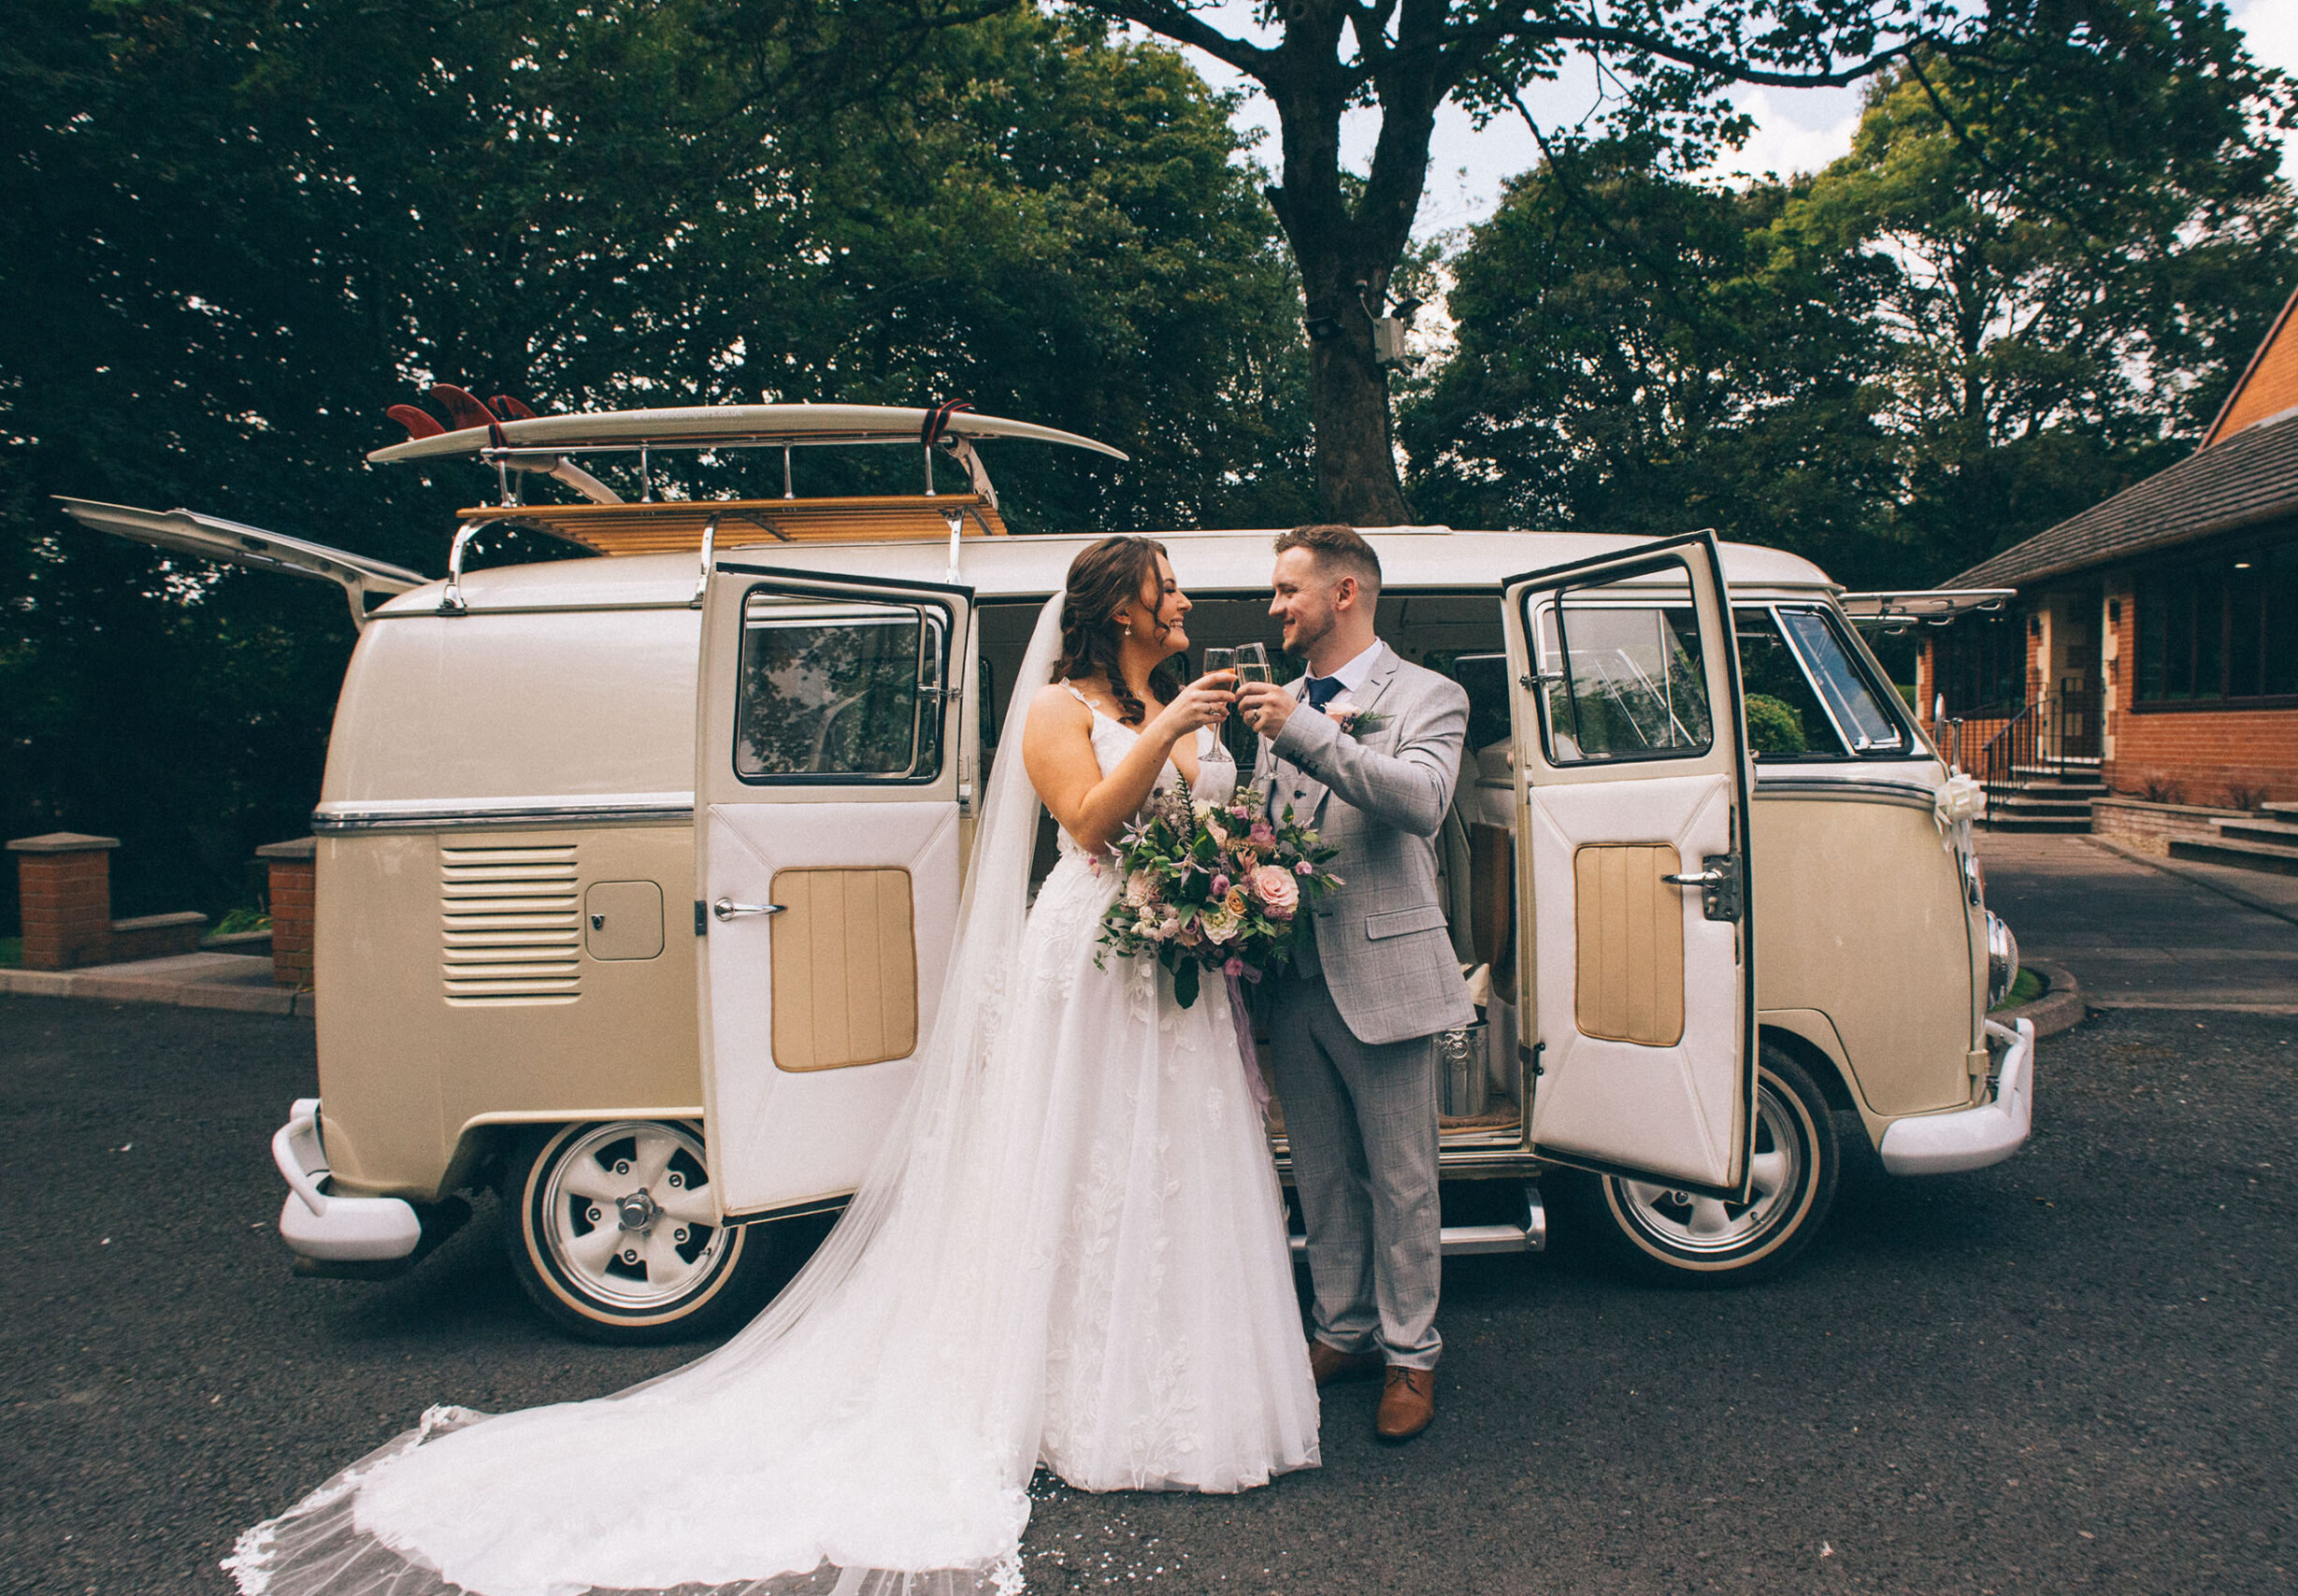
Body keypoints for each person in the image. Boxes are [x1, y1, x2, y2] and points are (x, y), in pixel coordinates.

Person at [227, 537, 1318, 1596]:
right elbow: (1084, 820)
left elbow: (1203, 820)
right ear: (1120, 607)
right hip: (1091, 957)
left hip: (1173, 965)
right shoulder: (1054, 707)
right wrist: (1173, 726)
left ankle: (1182, 1391)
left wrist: (1228, 871)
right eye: (1165, 590)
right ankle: (1075, 1400)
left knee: (1172, 1166)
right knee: (1082, 1162)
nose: (1183, 606)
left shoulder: (1173, 704)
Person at [1237, 525, 1473, 1445]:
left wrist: (1301, 732)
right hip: (1292, 978)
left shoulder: (1429, 695)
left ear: (1342, 594)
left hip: (1384, 970)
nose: (1273, 608)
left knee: (1404, 1177)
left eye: (1287, 590)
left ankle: (1412, 1354)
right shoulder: (1281, 699)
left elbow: (1419, 801)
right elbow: (1268, 824)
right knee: (1323, 1174)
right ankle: (1343, 1327)